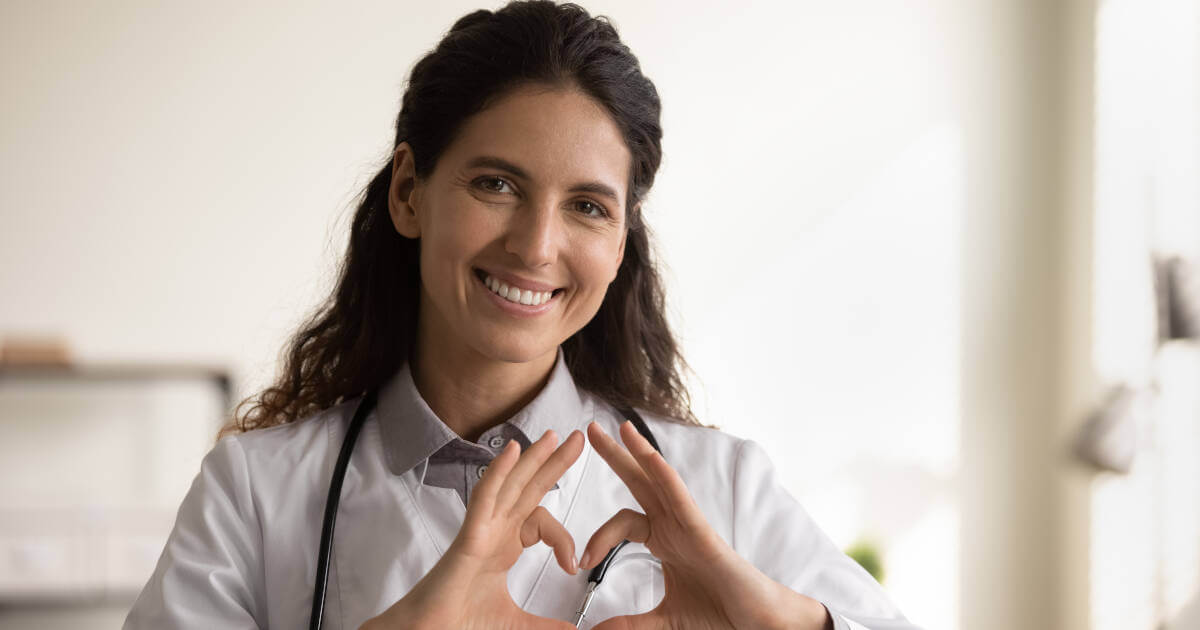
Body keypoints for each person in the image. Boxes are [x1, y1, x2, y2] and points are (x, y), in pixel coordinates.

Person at [125, 2, 921, 629]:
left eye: (586, 206)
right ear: (409, 192)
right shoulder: (257, 494)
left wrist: (780, 622)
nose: (537, 247)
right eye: (496, 185)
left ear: (620, 246)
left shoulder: (724, 490)